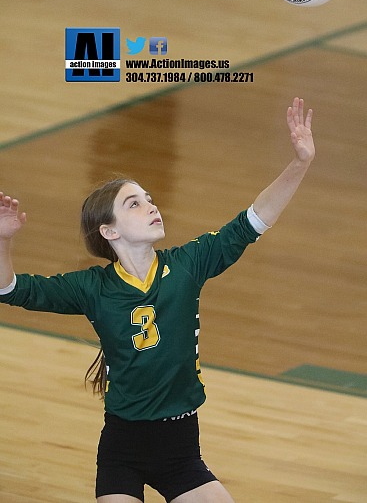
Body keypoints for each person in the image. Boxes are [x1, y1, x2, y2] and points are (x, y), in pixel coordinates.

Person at [0, 97, 315, 502]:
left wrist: (300, 162)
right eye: (134, 203)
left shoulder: (187, 266)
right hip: (122, 451)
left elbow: (254, 220)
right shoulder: (92, 288)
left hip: (181, 450)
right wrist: (3, 240)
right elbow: (9, 289)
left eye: (149, 198)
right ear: (109, 232)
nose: (151, 206)